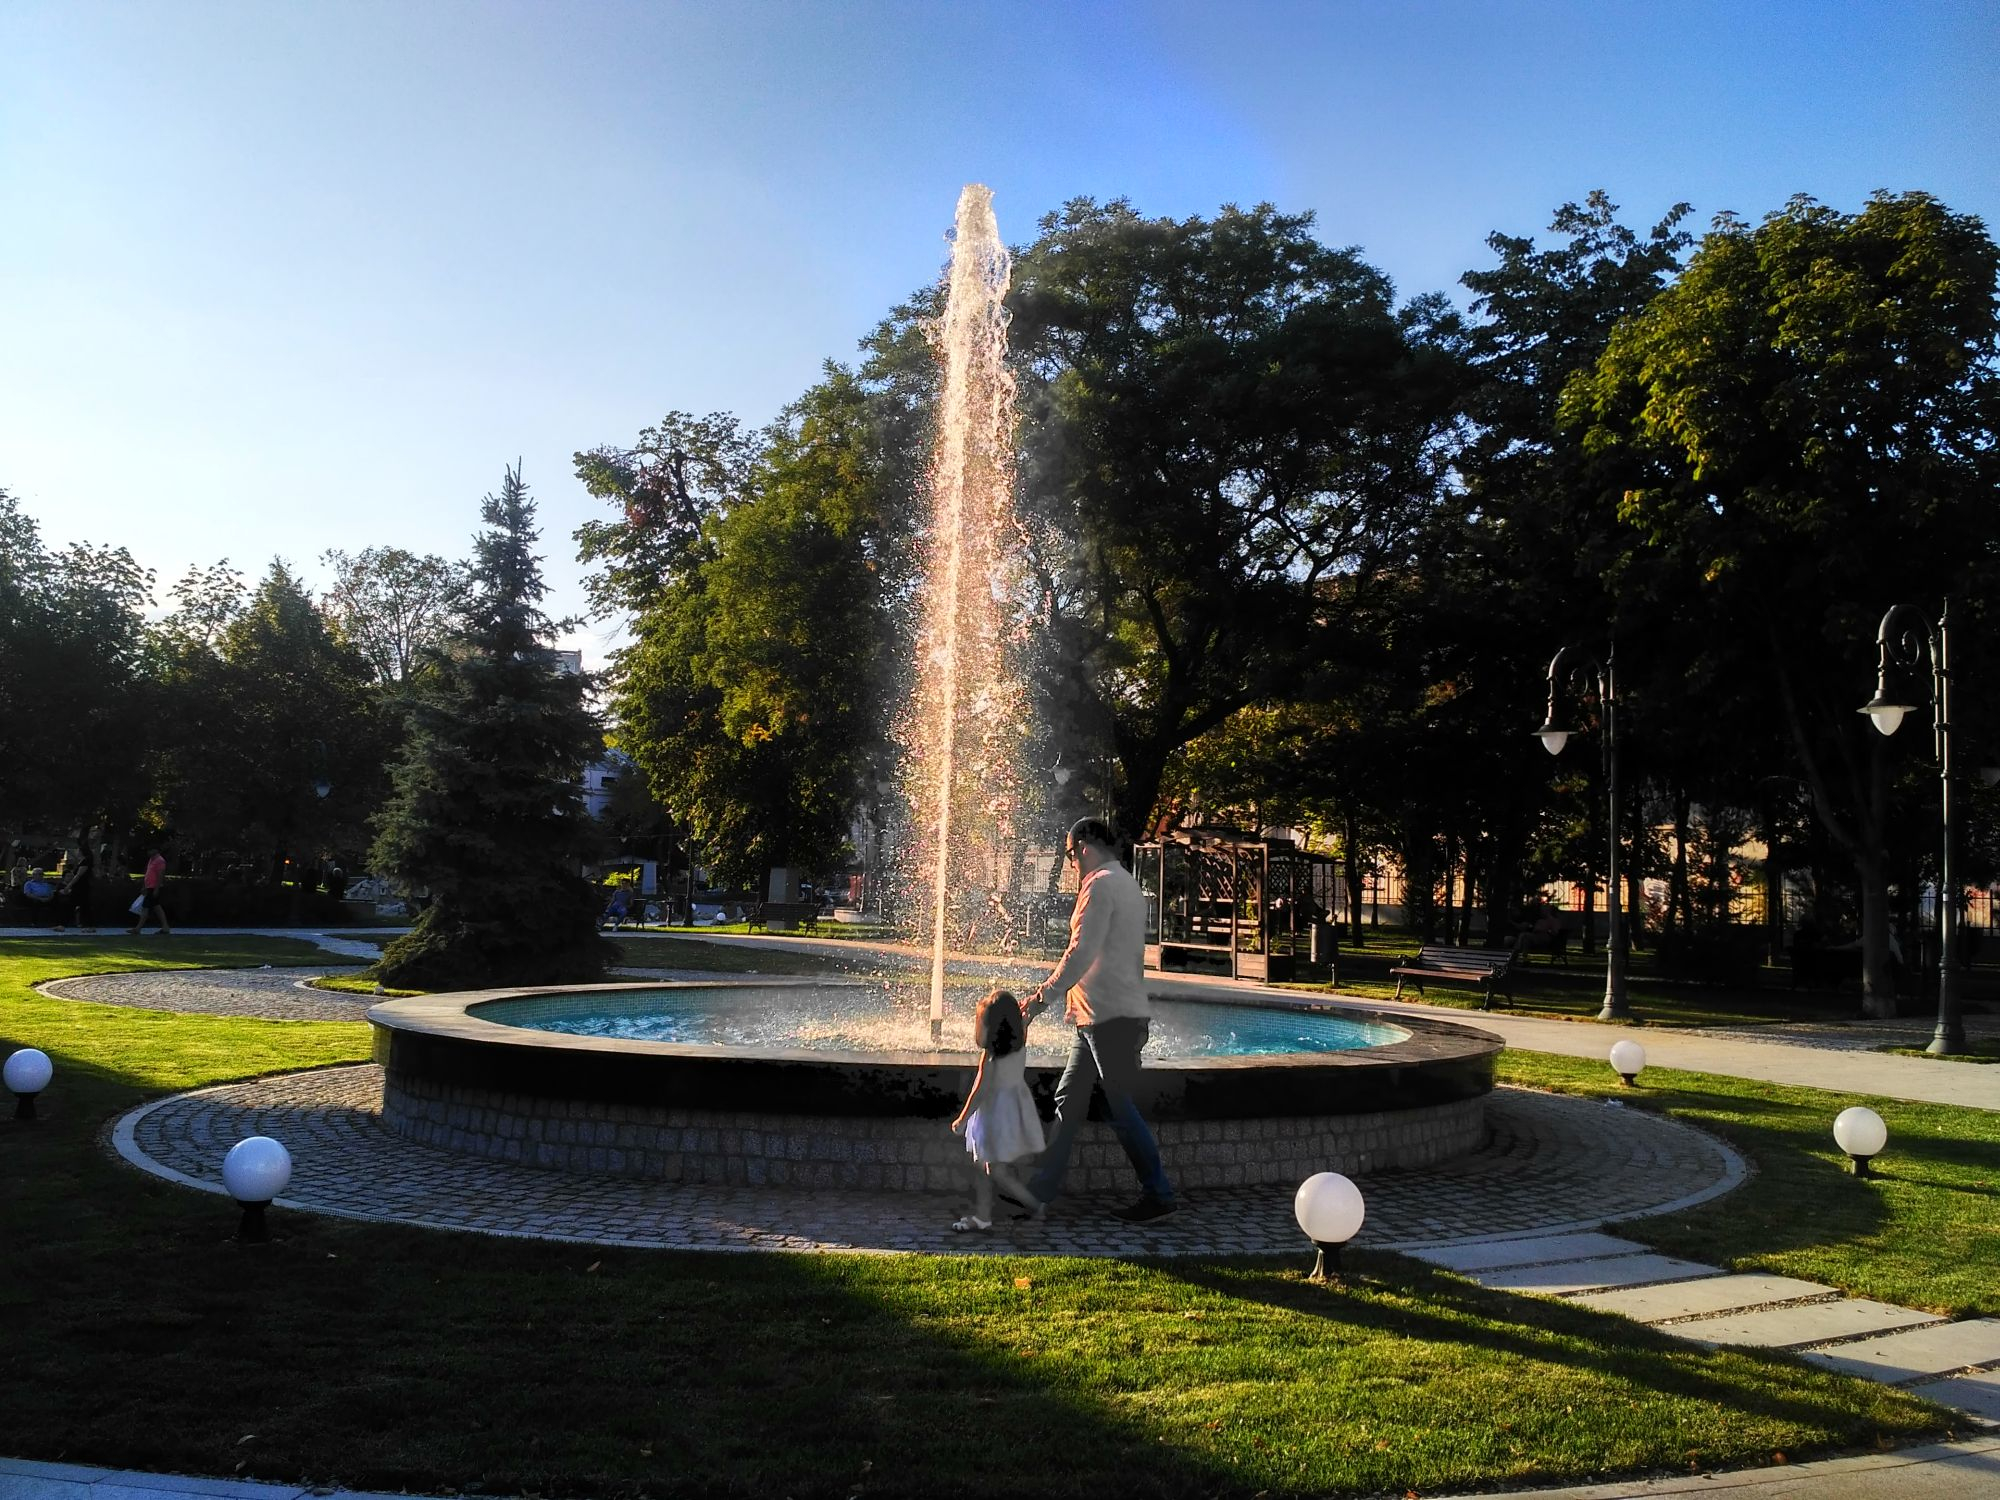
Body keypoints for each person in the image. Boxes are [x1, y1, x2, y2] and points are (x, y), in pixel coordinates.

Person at [1020, 818, 1177, 1223]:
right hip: (1099, 1017)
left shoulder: (1099, 883)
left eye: (1071, 855)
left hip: (1109, 1018)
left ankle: (1158, 1193)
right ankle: (1038, 1192)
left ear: (1085, 845)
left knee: (1119, 1104)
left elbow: (1080, 953)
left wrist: (1039, 1000)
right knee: (1068, 1101)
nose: (1071, 864)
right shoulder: (1124, 881)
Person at [947, 989, 1046, 1233]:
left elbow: (979, 1090)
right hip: (1012, 1110)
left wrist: (962, 1118)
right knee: (991, 1167)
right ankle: (992, 1213)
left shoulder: (990, 1056)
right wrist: (1023, 1013)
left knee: (990, 1168)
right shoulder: (1020, 1039)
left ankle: (1023, 1208)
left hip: (992, 1114)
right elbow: (1023, 1019)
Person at [56, 828, 97, 933]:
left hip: (81, 887)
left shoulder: (86, 861)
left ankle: (88, 926)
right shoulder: (83, 861)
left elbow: (78, 876)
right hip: (80, 887)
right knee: (78, 906)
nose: (77, 851)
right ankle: (64, 925)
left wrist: (68, 886)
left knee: (82, 906)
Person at [129, 845, 173, 936]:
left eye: (150, 850)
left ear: (156, 849)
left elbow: (160, 876)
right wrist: (144, 886)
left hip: (153, 887)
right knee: (156, 907)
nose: (148, 852)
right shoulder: (151, 860)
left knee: (146, 908)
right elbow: (148, 874)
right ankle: (165, 927)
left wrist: (156, 889)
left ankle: (138, 928)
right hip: (149, 887)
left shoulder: (160, 861)